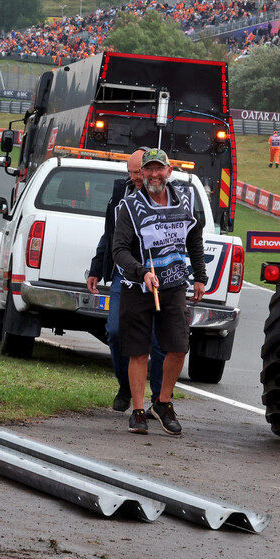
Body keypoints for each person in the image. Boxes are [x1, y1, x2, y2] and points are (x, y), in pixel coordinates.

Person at [111, 148, 207, 436]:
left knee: (178, 347)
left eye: (159, 169)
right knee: (138, 352)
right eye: (148, 169)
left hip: (175, 285)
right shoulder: (130, 206)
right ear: (141, 173)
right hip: (138, 287)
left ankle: (163, 403)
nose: (154, 174)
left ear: (169, 171)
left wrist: (200, 276)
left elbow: (195, 239)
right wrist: (142, 272)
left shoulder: (185, 201)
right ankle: (138, 411)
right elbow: (119, 250)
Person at [87, 149, 164, 412]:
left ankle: (159, 399)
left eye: (138, 172)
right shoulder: (121, 192)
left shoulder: (167, 193)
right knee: (116, 331)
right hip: (125, 272)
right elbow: (109, 235)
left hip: (159, 273)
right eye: (130, 173)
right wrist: (97, 267)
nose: (135, 177)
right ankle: (126, 385)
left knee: (158, 338)